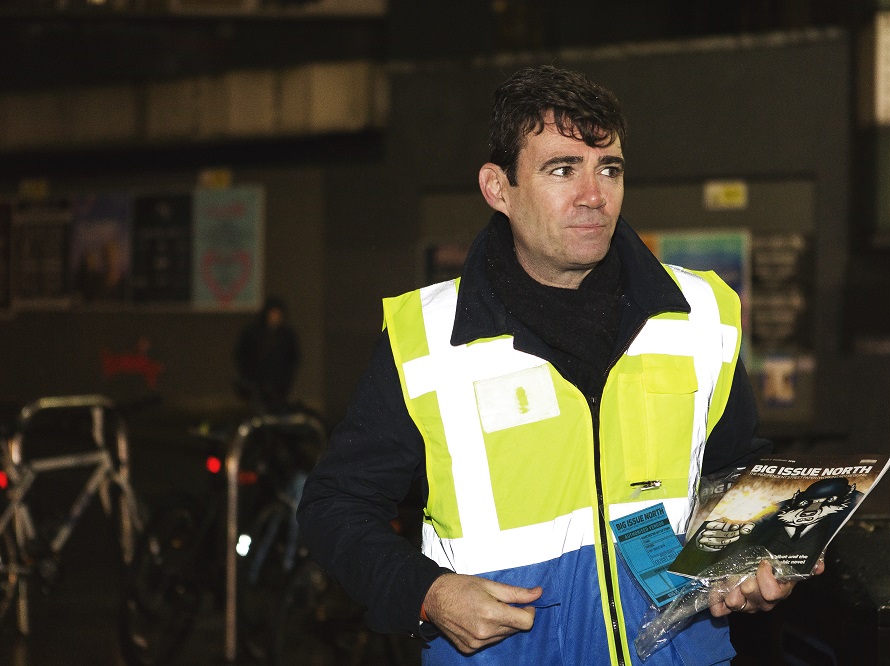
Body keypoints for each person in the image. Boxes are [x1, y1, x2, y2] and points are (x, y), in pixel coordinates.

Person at [298, 65, 816, 665]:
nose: (594, 194)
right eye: (562, 169)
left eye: (610, 169)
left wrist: (760, 553)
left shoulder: (700, 313)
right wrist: (428, 593)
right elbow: (335, 506)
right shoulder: (429, 337)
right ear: (499, 189)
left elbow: (736, 472)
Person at [234, 295, 300, 411]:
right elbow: (241, 354)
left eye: (278, 314)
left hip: (279, 386)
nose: (275, 317)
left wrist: (286, 379)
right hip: (256, 385)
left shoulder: (287, 335)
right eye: (273, 313)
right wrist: (248, 374)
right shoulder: (253, 333)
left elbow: (293, 357)